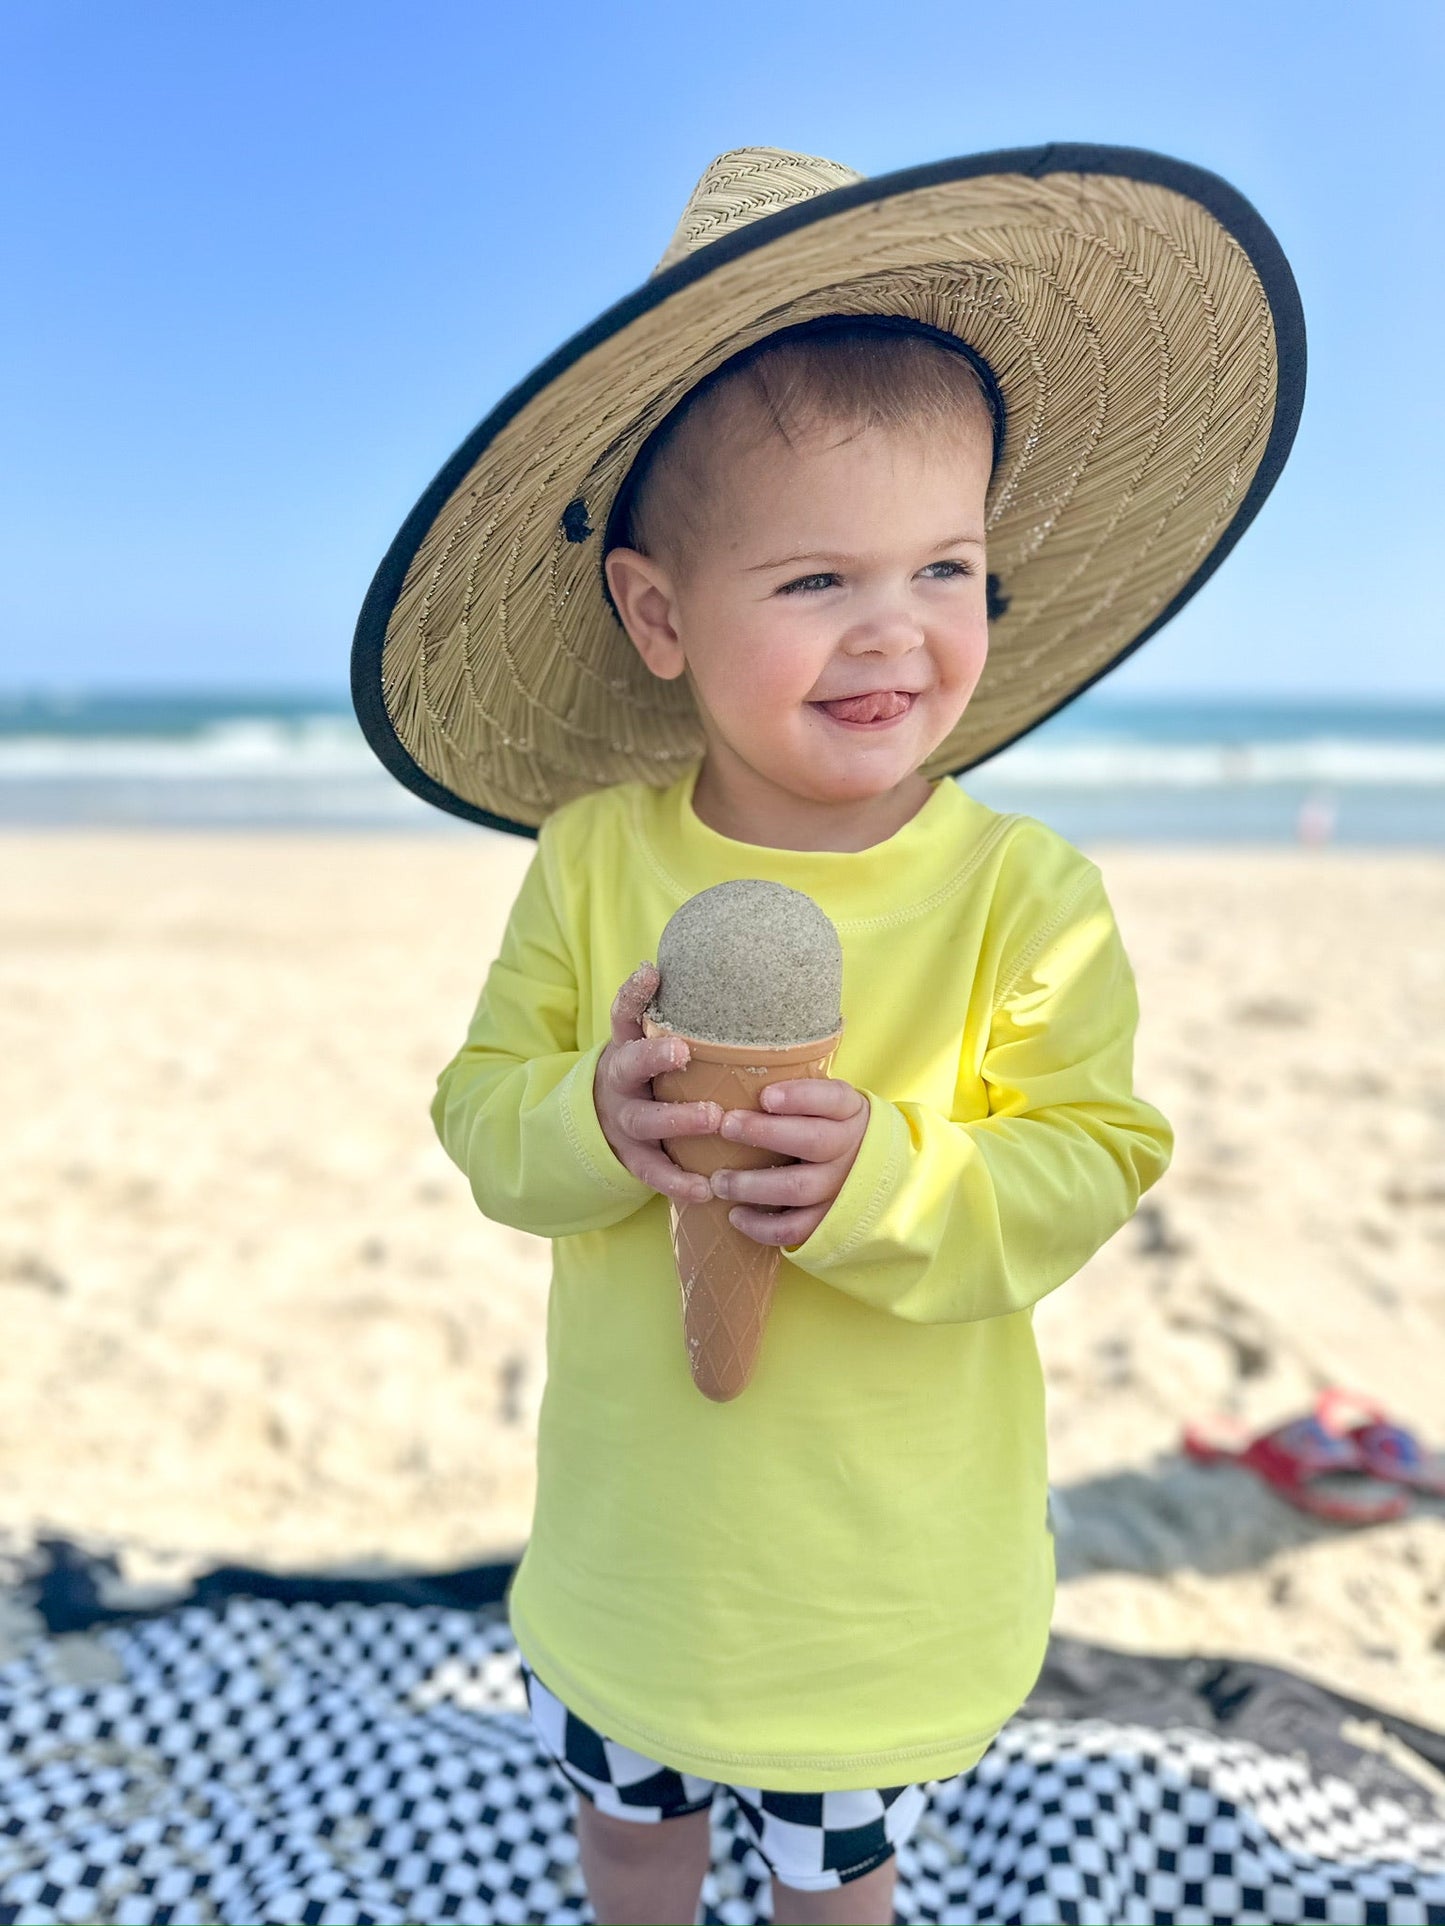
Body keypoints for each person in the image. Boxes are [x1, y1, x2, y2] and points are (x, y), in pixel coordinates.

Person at [352, 146, 1305, 1925]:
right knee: (629, 1834)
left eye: (947, 564)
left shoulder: (1027, 891)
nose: (899, 629)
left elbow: (1085, 1161)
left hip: (875, 1569)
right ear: (657, 613)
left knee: (830, 1883)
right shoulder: (596, 858)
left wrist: (886, 1173)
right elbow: (481, 1111)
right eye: (813, 582)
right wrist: (593, 1116)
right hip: (640, 1545)